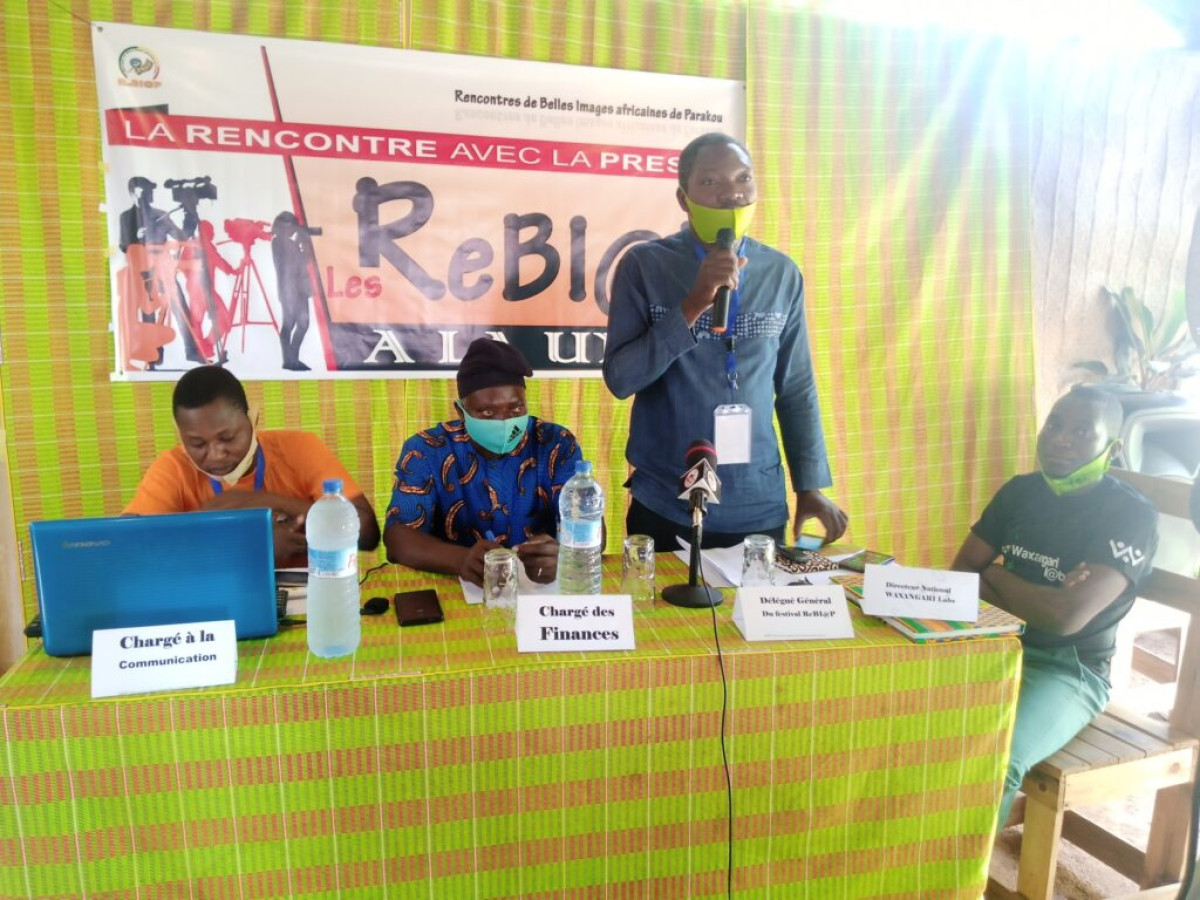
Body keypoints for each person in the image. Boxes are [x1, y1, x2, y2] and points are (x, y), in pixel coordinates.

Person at [603, 132, 847, 551]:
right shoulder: (645, 265)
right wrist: (694, 303)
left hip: (757, 501)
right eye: (711, 183)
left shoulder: (781, 272)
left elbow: (796, 388)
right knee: (665, 618)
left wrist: (809, 485)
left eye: (743, 179)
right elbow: (622, 379)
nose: (732, 195)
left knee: (753, 615)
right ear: (684, 198)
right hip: (666, 498)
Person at [951, 385, 1158, 828]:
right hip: (995, 645)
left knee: (996, 759)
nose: (1061, 438)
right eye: (1056, 424)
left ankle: (961, 884)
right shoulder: (1020, 493)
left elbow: (1065, 619)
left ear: (1112, 447)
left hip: (1069, 670)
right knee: (904, 718)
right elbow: (961, 573)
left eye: (1083, 431)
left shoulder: (1129, 514)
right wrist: (1029, 591)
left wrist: (999, 574)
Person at [124, 365, 380, 567]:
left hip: (308, 602)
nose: (215, 455)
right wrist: (252, 541)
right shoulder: (173, 467)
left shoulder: (299, 448)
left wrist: (262, 501)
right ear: (180, 435)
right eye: (197, 443)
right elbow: (127, 547)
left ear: (252, 419)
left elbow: (367, 533)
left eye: (227, 438)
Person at [384, 337, 583, 587]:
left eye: (516, 409)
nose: (503, 421)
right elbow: (397, 538)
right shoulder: (426, 449)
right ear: (461, 411)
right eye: (487, 412)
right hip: (458, 588)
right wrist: (461, 560)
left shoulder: (556, 443)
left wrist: (566, 554)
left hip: (541, 590)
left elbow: (593, 527)